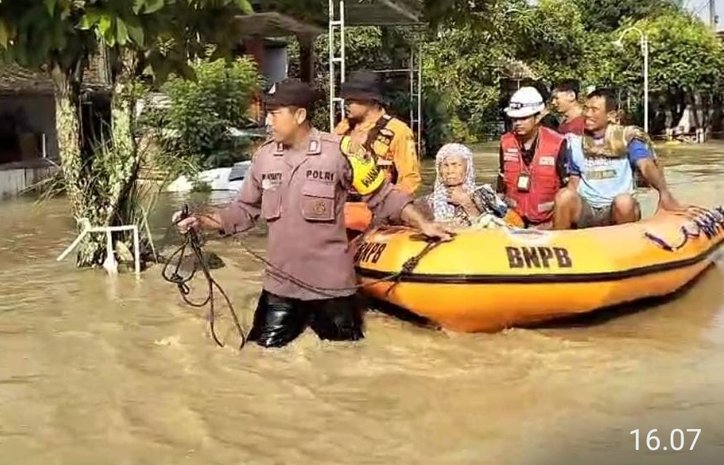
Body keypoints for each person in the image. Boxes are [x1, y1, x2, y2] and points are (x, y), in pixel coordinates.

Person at [174, 78, 456, 348]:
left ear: (299, 115)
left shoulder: (343, 151)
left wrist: (425, 225)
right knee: (258, 360)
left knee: (345, 362)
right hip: (281, 288)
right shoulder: (263, 158)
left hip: (331, 290)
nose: (267, 120)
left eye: (275, 113)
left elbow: (384, 195)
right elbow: (243, 210)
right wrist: (201, 221)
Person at [553, 89, 699, 230]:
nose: (588, 114)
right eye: (586, 109)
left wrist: (664, 193)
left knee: (624, 201)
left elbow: (646, 165)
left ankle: (627, 243)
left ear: (610, 115)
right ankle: (558, 244)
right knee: (563, 196)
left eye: (594, 110)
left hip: (617, 209)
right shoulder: (576, 142)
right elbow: (574, 181)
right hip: (588, 209)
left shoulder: (628, 138)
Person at [333, 70, 421, 194]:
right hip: (342, 205)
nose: (345, 104)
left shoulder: (398, 131)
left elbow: (410, 179)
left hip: (377, 205)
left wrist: (389, 204)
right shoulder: (343, 128)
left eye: (351, 100)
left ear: (370, 100)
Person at [496, 85, 568, 228]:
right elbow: (501, 181)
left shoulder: (557, 143)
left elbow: (567, 188)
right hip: (513, 223)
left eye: (523, 118)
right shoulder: (506, 142)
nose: (517, 123)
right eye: (514, 119)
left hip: (548, 225)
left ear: (538, 117)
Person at [423, 143, 515, 227]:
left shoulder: (485, 195)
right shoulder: (428, 202)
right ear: (439, 170)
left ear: (467, 168)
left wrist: (466, 203)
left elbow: (504, 228)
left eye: (456, 165)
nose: (450, 170)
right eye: (445, 165)